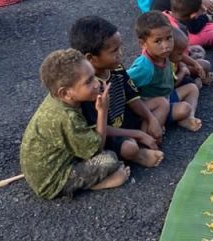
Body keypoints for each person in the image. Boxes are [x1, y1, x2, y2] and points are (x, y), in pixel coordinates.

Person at [20, 49, 130, 199]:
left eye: (94, 76)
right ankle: (94, 184)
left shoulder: (61, 99)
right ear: (65, 93)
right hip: (51, 182)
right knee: (109, 159)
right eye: (88, 81)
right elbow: (97, 149)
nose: (97, 83)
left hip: (47, 166)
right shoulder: (66, 117)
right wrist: (102, 111)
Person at [69, 16, 167, 167]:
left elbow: (132, 97)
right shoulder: (88, 89)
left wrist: (151, 119)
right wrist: (138, 134)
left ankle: (146, 139)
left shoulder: (116, 68)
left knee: (162, 103)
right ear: (91, 58)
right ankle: (139, 152)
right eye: (114, 51)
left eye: (120, 47)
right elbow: (99, 129)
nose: (121, 54)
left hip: (126, 120)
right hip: (110, 133)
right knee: (129, 148)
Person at [127, 11, 202, 131]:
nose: (166, 45)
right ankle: (155, 123)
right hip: (154, 106)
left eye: (169, 38)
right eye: (158, 41)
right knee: (184, 108)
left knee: (192, 88)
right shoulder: (145, 68)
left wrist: (194, 63)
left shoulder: (163, 53)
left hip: (167, 95)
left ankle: (189, 117)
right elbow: (123, 80)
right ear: (143, 44)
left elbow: (180, 55)